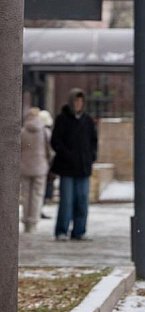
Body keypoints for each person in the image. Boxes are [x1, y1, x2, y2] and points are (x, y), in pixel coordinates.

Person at [50, 88, 98, 241]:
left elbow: (93, 141)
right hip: (67, 168)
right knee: (67, 202)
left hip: (83, 167)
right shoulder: (62, 119)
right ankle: (61, 230)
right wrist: (67, 154)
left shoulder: (87, 120)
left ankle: (79, 231)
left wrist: (91, 156)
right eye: (76, 101)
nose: (78, 104)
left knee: (82, 201)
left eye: (81, 101)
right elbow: (55, 141)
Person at [19, 108, 52, 233]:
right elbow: (49, 150)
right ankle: (33, 222)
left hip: (24, 167)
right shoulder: (45, 131)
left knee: (25, 195)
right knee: (37, 196)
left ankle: (26, 222)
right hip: (40, 167)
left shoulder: (22, 132)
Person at [39, 110, 55, 219]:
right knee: (41, 190)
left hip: (29, 167)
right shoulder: (47, 133)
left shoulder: (27, 130)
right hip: (44, 166)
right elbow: (50, 151)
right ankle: (39, 210)